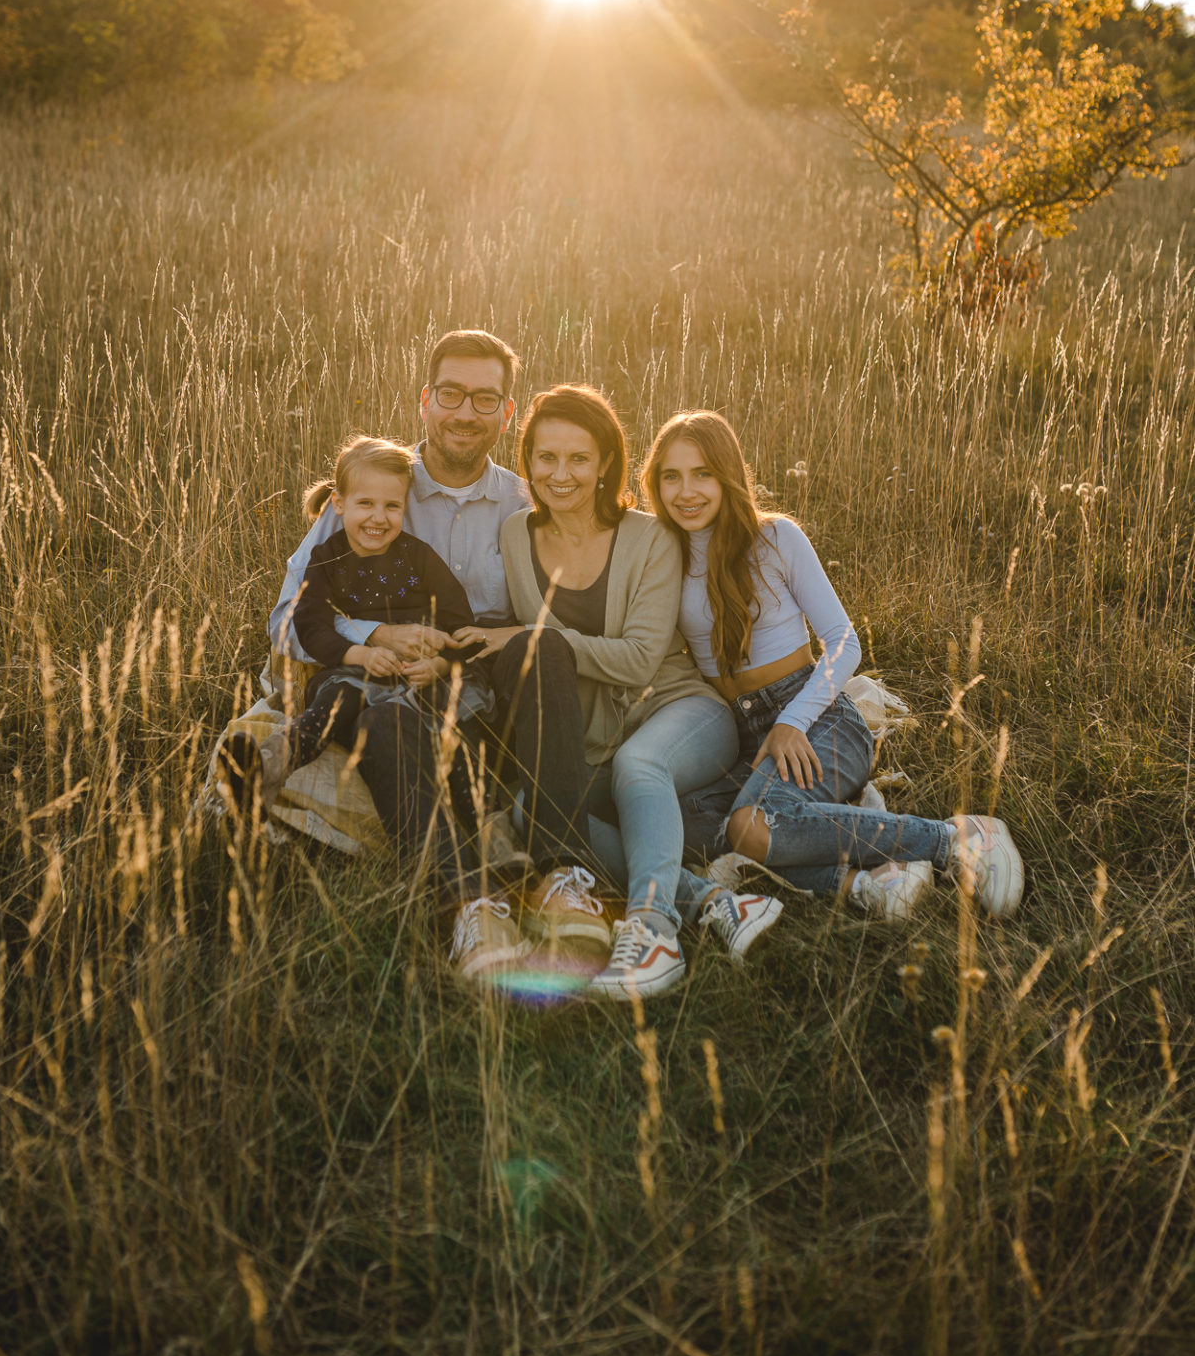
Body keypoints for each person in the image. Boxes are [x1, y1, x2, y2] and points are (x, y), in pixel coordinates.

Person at [265, 329, 618, 984]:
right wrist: (375, 636)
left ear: (507, 413)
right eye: (451, 393)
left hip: (483, 692)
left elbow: (555, 613)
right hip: (390, 692)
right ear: (426, 399)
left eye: (485, 399)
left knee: (543, 649)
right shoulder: (374, 490)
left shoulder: (525, 501)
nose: (465, 412)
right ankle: (467, 903)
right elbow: (286, 619)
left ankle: (563, 870)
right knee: (386, 720)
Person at [458, 386, 784, 1002]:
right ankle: (717, 904)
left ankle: (654, 928)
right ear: (527, 461)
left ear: (607, 462)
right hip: (591, 737)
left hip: (678, 711)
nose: (561, 475)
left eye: (579, 459)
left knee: (640, 765)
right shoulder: (513, 535)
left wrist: (531, 636)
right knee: (539, 814)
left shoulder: (649, 537)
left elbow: (638, 660)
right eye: (545, 458)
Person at [643, 411, 1025, 919]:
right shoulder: (663, 554)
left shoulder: (774, 538)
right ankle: (871, 879)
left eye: (702, 474)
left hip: (816, 716)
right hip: (739, 733)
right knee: (679, 823)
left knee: (751, 826)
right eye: (671, 476)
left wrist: (790, 722)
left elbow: (844, 642)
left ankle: (954, 838)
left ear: (728, 475)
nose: (686, 491)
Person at [221, 438, 478, 809]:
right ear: (339, 504)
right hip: (354, 676)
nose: (379, 517)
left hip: (421, 678)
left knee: (456, 736)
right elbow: (310, 624)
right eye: (365, 504)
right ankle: (266, 767)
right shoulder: (327, 559)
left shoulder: (418, 556)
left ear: (405, 507)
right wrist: (359, 655)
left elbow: (460, 623)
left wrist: (438, 664)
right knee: (331, 705)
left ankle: (482, 825)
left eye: (392, 506)